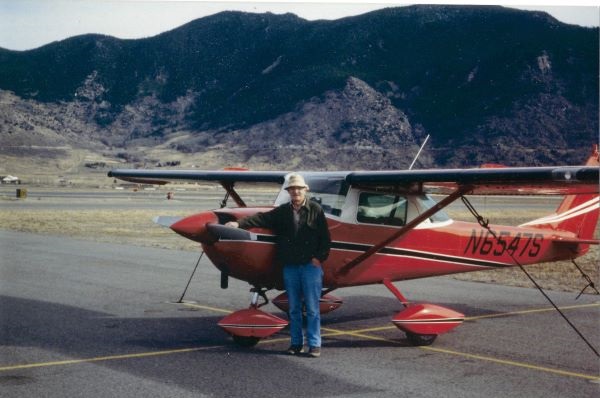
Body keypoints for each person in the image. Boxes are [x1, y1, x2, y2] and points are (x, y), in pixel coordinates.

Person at [226, 174, 331, 357]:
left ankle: (315, 345)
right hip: (290, 266)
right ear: (289, 192)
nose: (296, 192)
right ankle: (296, 344)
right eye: (292, 189)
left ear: (305, 190)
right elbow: (260, 219)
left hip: (310, 267)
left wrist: (318, 258)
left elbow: (325, 237)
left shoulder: (315, 210)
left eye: (299, 188)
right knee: (294, 308)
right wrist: (238, 223)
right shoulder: (282, 211)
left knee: (313, 308)